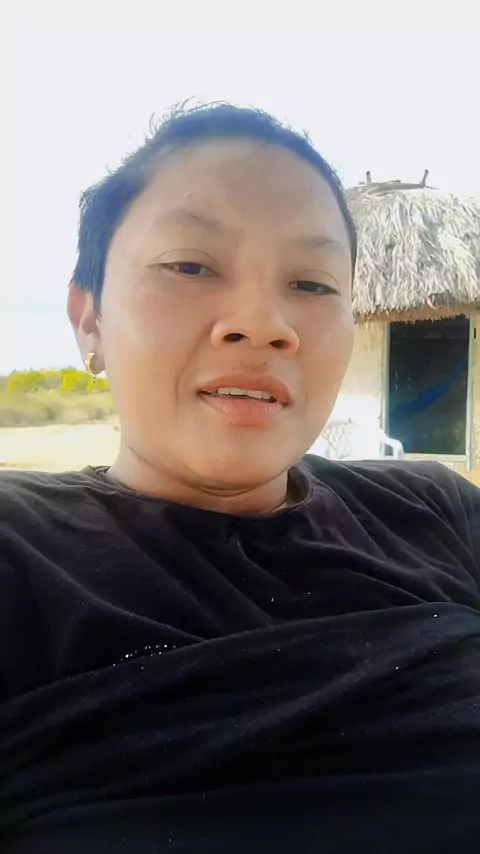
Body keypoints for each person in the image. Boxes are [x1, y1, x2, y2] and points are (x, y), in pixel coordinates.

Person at [1, 104, 479, 854]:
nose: (263, 324)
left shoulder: (435, 510)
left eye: (313, 284)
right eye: (189, 266)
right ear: (89, 320)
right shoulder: (19, 553)